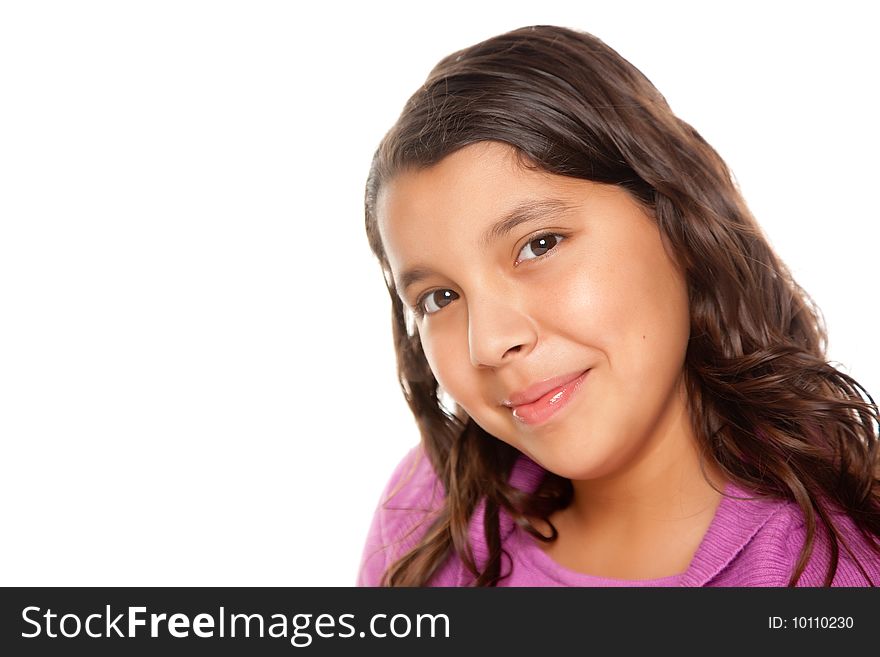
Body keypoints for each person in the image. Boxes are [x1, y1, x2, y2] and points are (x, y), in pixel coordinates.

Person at [356, 25, 880, 586]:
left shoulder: (831, 572)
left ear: (676, 218)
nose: (487, 341)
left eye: (539, 245)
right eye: (439, 298)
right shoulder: (429, 511)